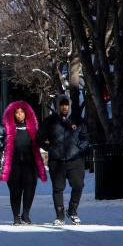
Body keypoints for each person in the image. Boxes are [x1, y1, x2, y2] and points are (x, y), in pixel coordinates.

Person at [38, 96, 90, 225]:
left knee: (78, 185)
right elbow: (39, 138)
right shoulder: (49, 121)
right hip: (57, 160)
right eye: (62, 105)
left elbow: (85, 138)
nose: (64, 107)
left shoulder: (78, 120)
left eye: (66, 105)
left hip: (75, 160)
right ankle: (59, 215)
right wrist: (49, 147)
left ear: (70, 106)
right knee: (58, 188)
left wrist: (79, 149)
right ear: (57, 106)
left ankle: (72, 210)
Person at [0, 101, 47, 225]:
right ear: (13, 114)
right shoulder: (7, 128)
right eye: (17, 113)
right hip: (13, 164)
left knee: (29, 189)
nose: (20, 115)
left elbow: (41, 141)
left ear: (26, 113)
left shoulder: (33, 128)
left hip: (30, 164)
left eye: (22, 112)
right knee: (15, 190)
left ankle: (26, 214)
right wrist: (0, 142)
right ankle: (16, 216)